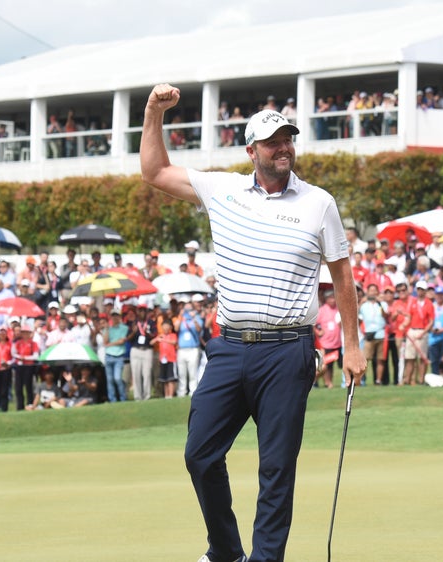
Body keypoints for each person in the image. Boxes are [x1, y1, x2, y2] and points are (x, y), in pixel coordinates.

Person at [140, 83, 365, 562]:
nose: (284, 148)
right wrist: (153, 112)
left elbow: (342, 275)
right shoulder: (222, 189)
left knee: (276, 469)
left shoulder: (318, 203)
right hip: (230, 347)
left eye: (289, 139)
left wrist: (352, 343)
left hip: (288, 350)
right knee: (199, 455)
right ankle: (225, 552)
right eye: (273, 141)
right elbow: (155, 170)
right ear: (252, 150)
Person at [153, 319, 179, 399]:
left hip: (171, 359)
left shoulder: (173, 335)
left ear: (170, 327)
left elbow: (174, 342)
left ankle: (171, 395)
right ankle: (166, 395)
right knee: (164, 380)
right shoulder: (160, 335)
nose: (166, 328)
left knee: (171, 379)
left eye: (167, 326)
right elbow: (151, 342)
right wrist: (157, 339)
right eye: (164, 326)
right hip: (162, 360)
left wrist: (164, 339)